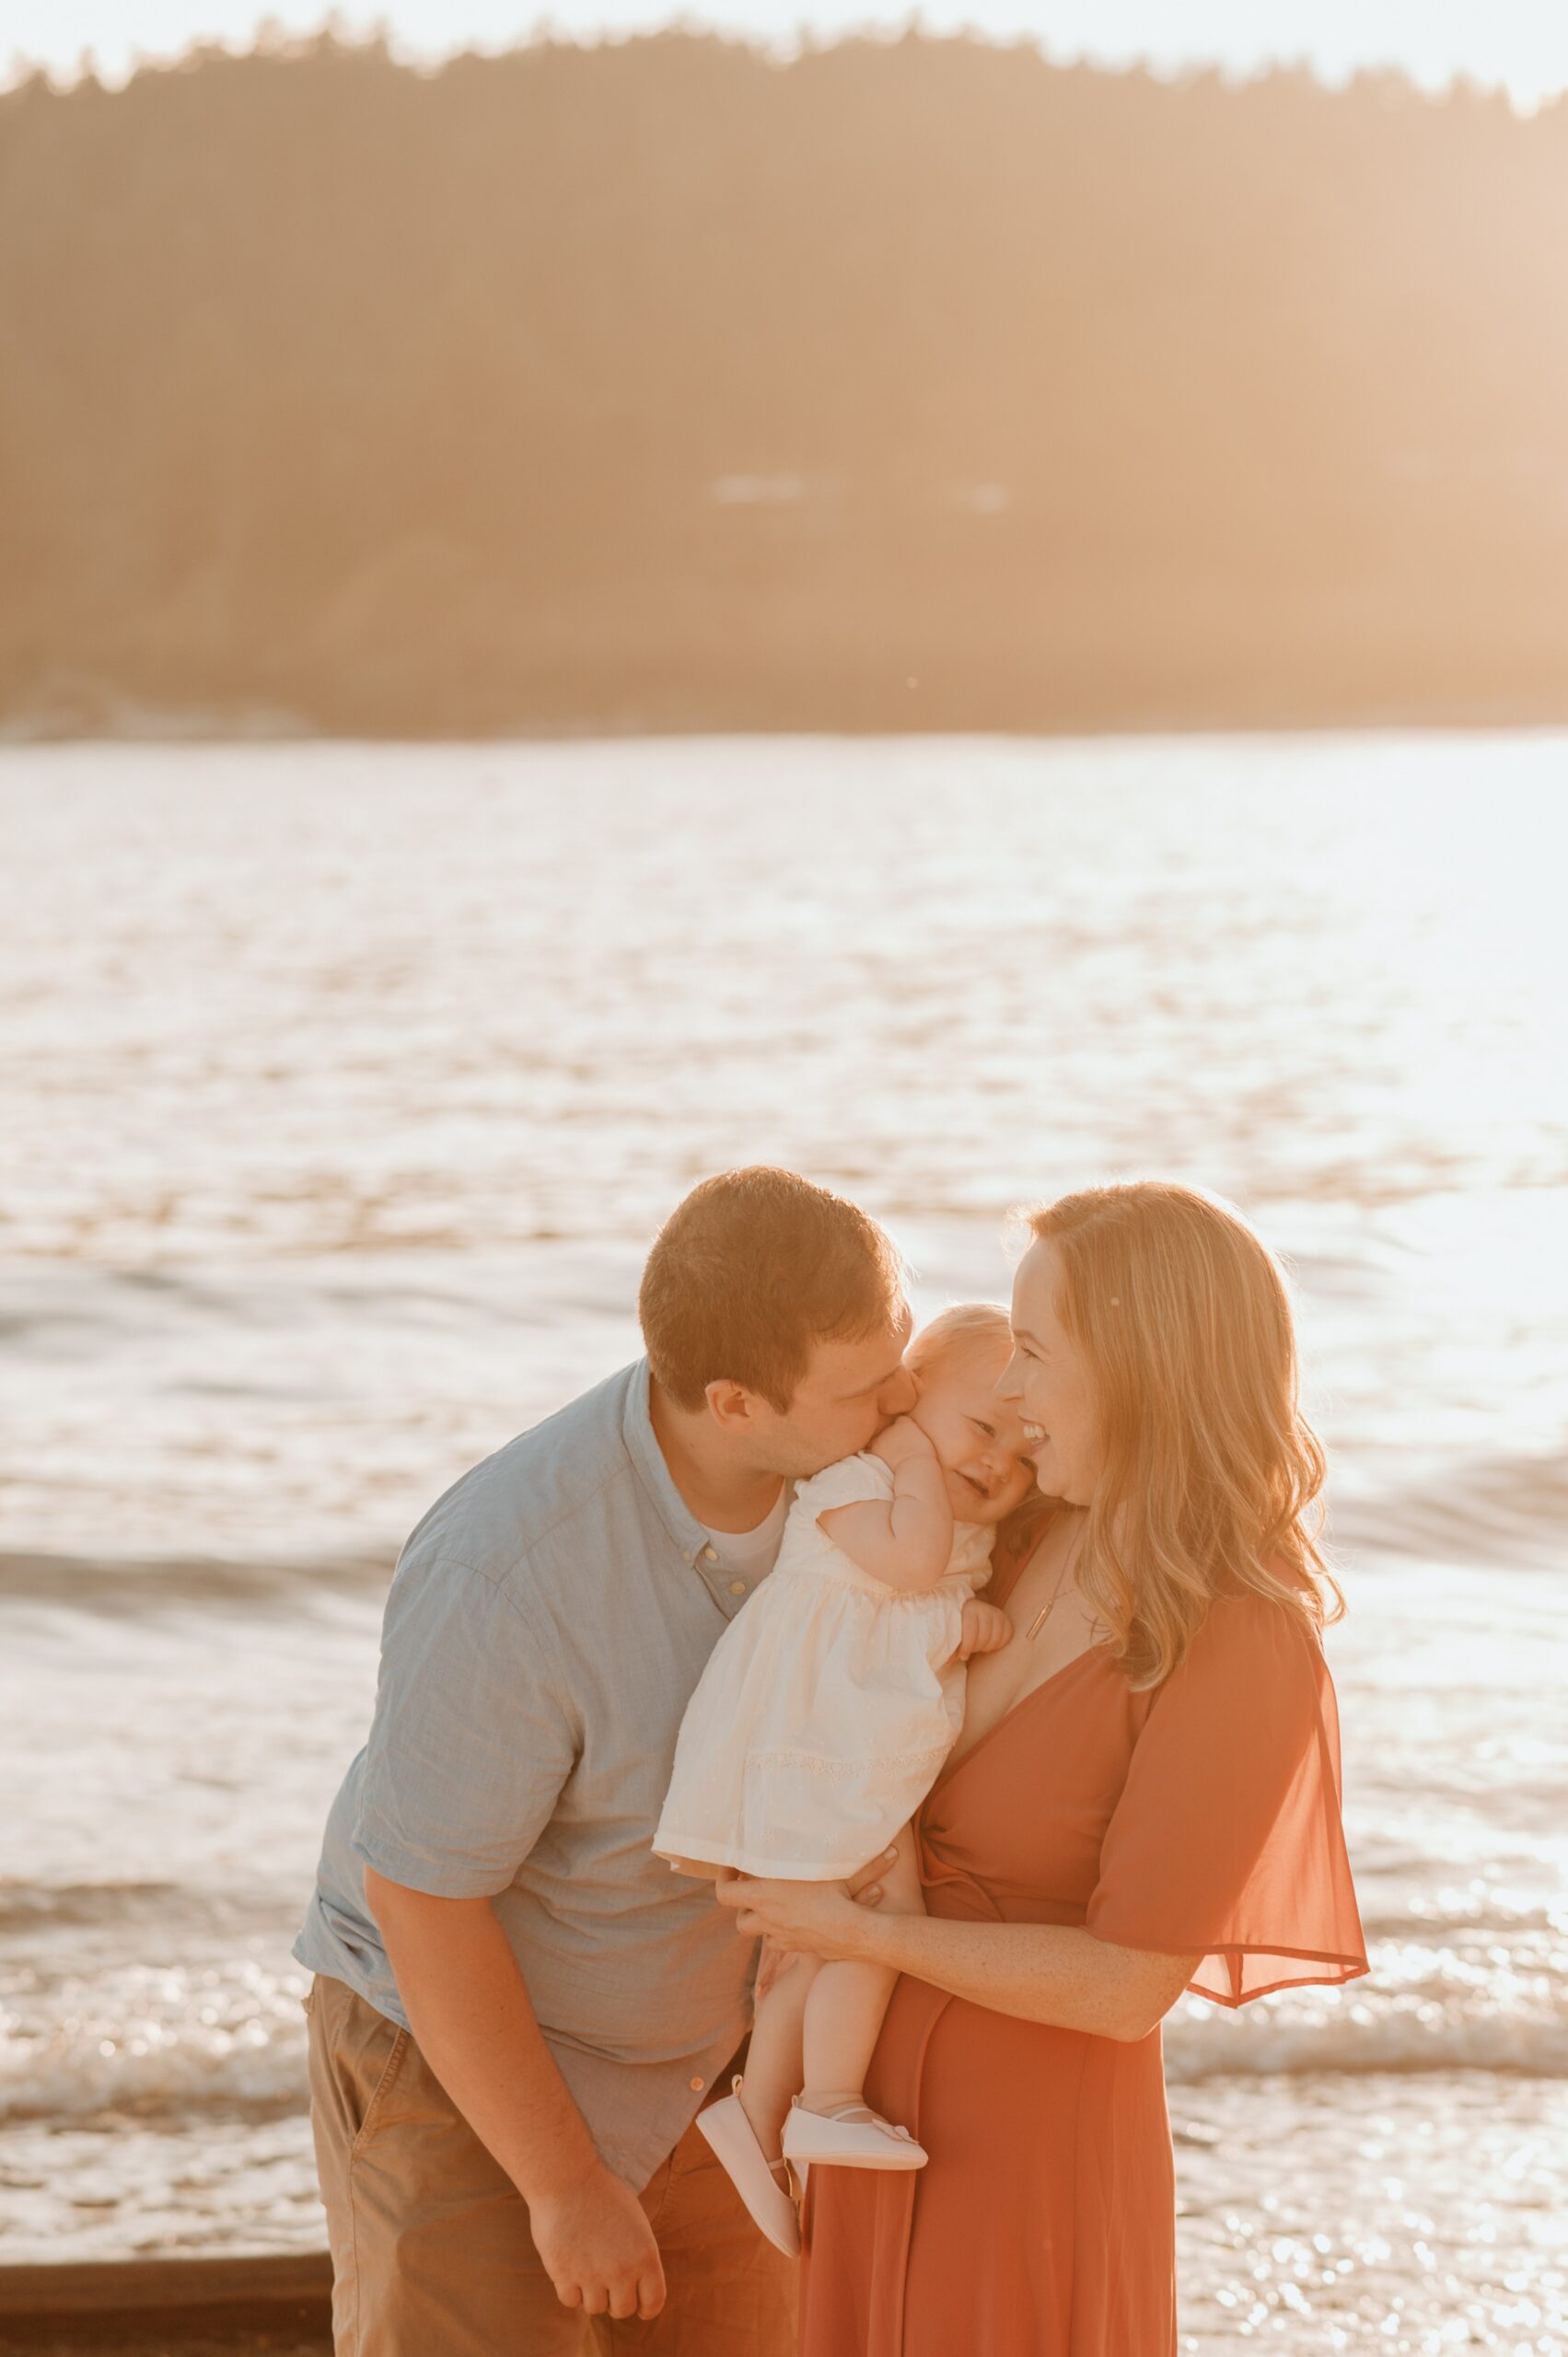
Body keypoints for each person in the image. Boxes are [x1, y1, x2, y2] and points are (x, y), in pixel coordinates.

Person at [714, 1180, 1369, 2356]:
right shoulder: (1014, 1535)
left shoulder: (1238, 1633)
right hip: (860, 2123)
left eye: (1029, 1349)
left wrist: (862, 1935)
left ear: (1140, 1366)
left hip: (1020, 2157)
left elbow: (1127, 1988)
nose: (1006, 1393)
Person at [293, 1166, 916, 2356]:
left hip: (712, 2071)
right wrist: (566, 2186)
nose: (903, 1403)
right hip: (466, 2063)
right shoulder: (509, 1574)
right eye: (865, 1387)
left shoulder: (856, 1484)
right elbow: (424, 1898)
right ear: (733, 1403)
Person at [653, 1305, 1036, 2253]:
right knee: (872, 1923)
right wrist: (953, 1612)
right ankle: (823, 2100)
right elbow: (897, 1580)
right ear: (905, 1401)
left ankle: (761, 2110)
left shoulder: (943, 1505)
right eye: (980, 1429)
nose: (997, 1463)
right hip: (793, 1754)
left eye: (1026, 1455)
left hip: (835, 1759)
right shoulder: (857, 1478)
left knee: (824, 1939)